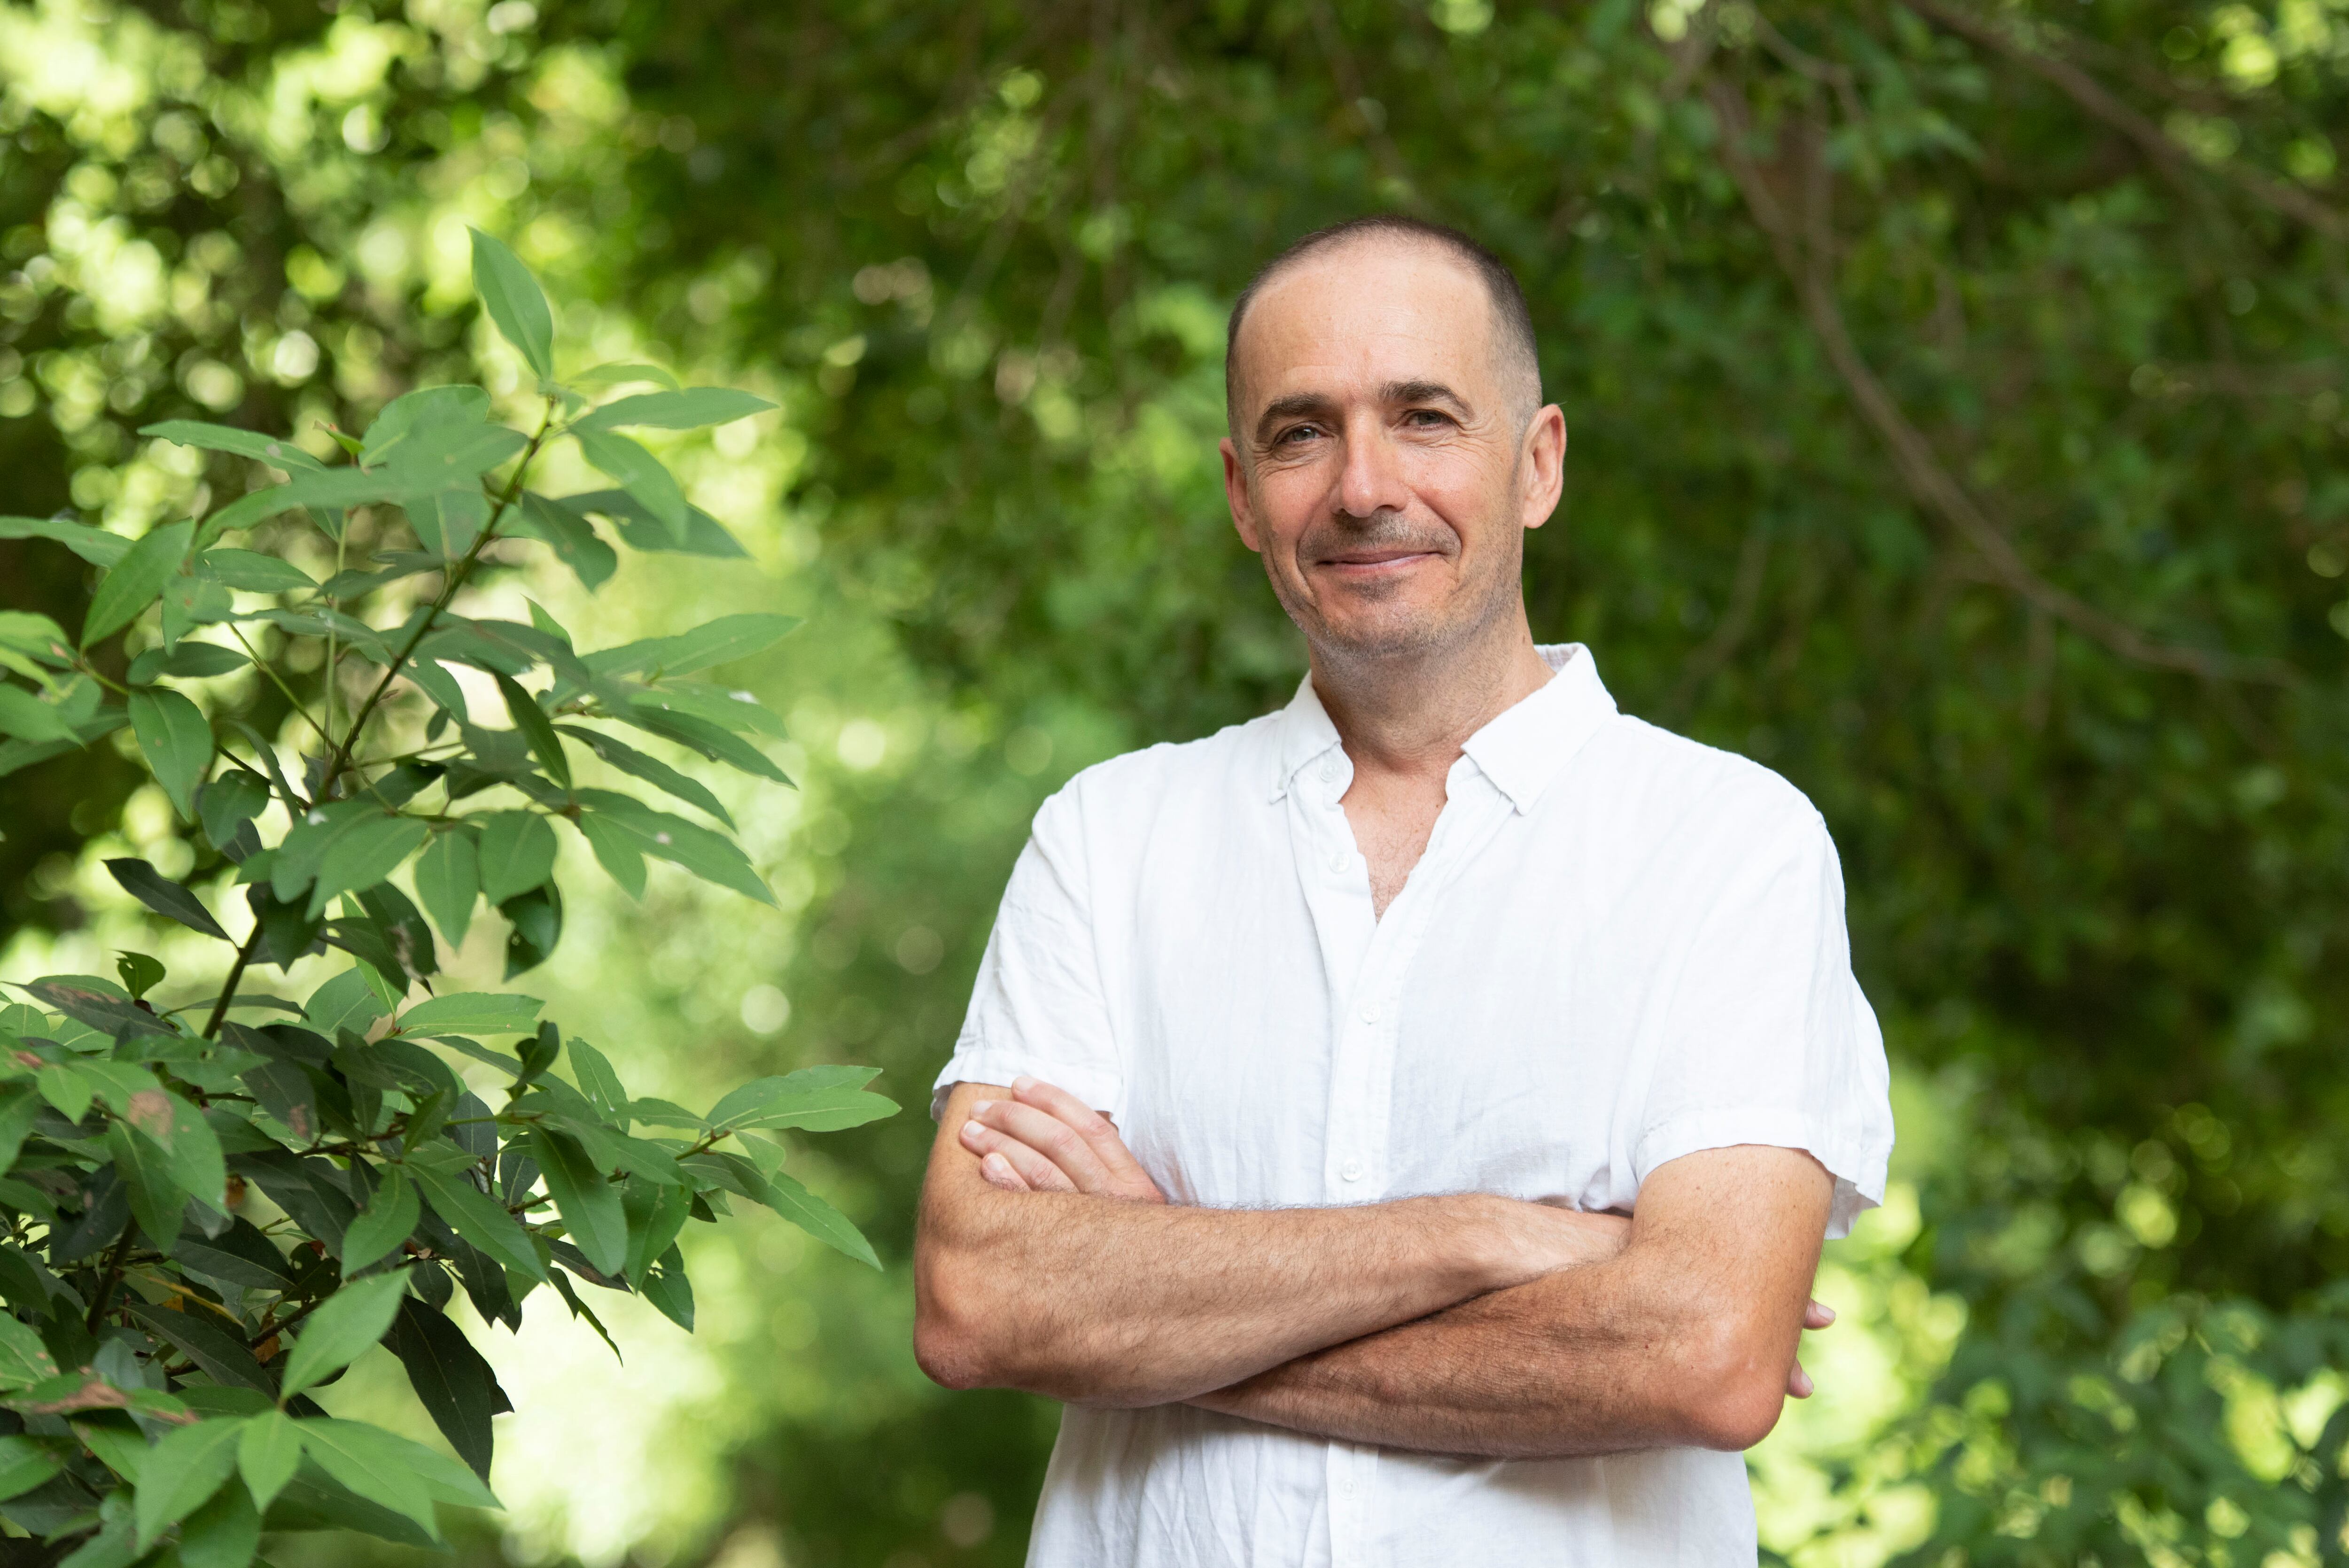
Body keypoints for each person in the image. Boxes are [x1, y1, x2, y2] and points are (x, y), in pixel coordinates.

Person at [912, 215, 1895, 1567]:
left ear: (1537, 463)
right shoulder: (1109, 838)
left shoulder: (1728, 843)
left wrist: (1166, 1297)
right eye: (1300, 432)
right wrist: (1497, 1237)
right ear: (1242, 491)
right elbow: (980, 1299)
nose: (1364, 485)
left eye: (1424, 417)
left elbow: (1706, 1352)